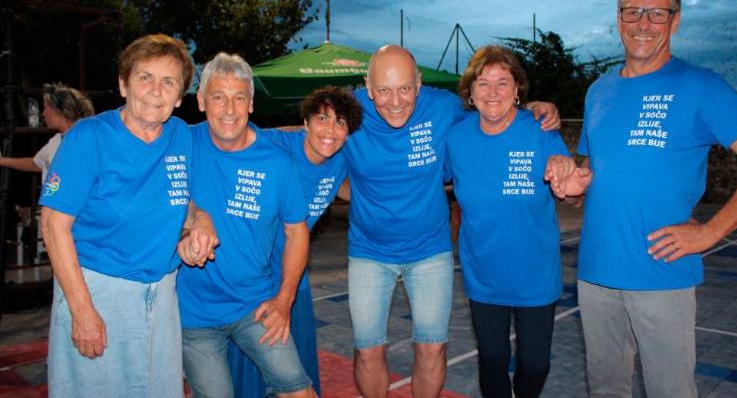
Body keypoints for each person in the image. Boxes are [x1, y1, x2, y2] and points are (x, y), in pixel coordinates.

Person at [574, 0, 737, 397]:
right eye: (633, 12)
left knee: (670, 390)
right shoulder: (598, 90)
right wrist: (571, 184)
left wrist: (711, 231)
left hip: (661, 274)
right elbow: (591, 172)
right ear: (619, 18)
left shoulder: (700, 86)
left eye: (657, 13)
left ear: (675, 21)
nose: (643, 23)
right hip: (595, 273)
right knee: (605, 389)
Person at [343, 44, 561, 397]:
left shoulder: (444, 107)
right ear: (367, 87)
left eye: (404, 88)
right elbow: (310, 141)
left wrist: (535, 106)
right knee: (367, 352)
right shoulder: (347, 109)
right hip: (369, 251)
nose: (395, 100)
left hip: (430, 250)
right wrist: (355, 194)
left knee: (432, 349)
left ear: (418, 84)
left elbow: (494, 106)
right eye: (383, 89)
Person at [39, 33, 202, 397]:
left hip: (162, 294)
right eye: (145, 77)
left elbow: (187, 201)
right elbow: (52, 225)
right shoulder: (89, 137)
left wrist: (197, 224)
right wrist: (82, 309)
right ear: (124, 84)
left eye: (169, 82)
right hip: (98, 290)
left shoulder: (181, 136)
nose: (156, 90)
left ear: (180, 96)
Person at [445, 45, 590, 398]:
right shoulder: (456, 137)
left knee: (536, 364)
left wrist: (571, 185)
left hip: (535, 274)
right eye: (483, 83)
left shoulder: (540, 129)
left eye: (502, 83)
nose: (492, 92)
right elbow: (429, 179)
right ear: (470, 93)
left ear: (517, 91)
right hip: (484, 275)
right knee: (492, 361)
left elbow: (571, 196)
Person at [176, 52, 317, 398]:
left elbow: (296, 232)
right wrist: (192, 221)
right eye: (218, 97)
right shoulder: (180, 145)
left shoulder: (277, 162)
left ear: (251, 104)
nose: (229, 109)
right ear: (201, 101)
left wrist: (284, 300)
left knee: (299, 392)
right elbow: (154, 198)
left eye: (239, 98)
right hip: (193, 314)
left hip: (254, 304)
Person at [228, 86, 363, 397]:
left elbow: (350, 188)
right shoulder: (277, 145)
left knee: (297, 372)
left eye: (340, 122)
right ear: (306, 123)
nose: (330, 130)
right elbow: (234, 136)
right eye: (322, 119)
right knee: (250, 376)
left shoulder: (341, 160)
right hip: (254, 279)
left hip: (293, 278)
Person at [0, 82, 94, 181]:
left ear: (57, 111)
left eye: (46, 108)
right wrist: (2, 161)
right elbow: (35, 164)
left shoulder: (85, 141)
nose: (43, 113)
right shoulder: (56, 140)